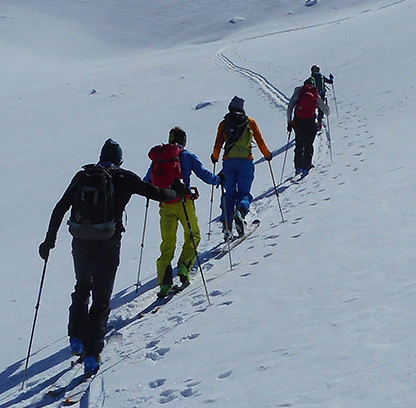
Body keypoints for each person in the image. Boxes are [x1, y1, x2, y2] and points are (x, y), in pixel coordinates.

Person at [40, 139, 178, 376]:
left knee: (82, 285)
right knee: (102, 297)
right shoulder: (123, 178)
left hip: (81, 241)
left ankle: (76, 337)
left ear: (101, 156)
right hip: (108, 242)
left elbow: (60, 207)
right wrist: (178, 190)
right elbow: (157, 194)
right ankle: (92, 356)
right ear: (119, 159)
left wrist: (49, 240)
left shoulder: (83, 176)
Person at [144, 127, 219, 297]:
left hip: (165, 204)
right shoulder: (186, 155)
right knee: (194, 235)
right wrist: (218, 180)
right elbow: (204, 174)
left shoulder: (159, 158)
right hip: (184, 203)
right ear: (184, 140)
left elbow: (147, 180)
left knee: (167, 244)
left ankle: (164, 285)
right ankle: (185, 266)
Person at [210, 96, 273, 239]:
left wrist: (215, 157)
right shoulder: (250, 122)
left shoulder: (224, 123)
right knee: (244, 192)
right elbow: (260, 141)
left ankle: (227, 223)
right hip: (246, 162)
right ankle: (241, 212)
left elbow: (218, 144)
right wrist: (267, 155)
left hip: (229, 162)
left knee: (230, 193)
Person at [285, 77, 329, 176]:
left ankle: (298, 167)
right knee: (308, 144)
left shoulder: (298, 93)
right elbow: (327, 112)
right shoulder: (315, 94)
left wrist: (289, 122)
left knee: (299, 144)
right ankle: (306, 167)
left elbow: (289, 108)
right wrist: (326, 106)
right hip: (310, 122)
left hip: (298, 122)